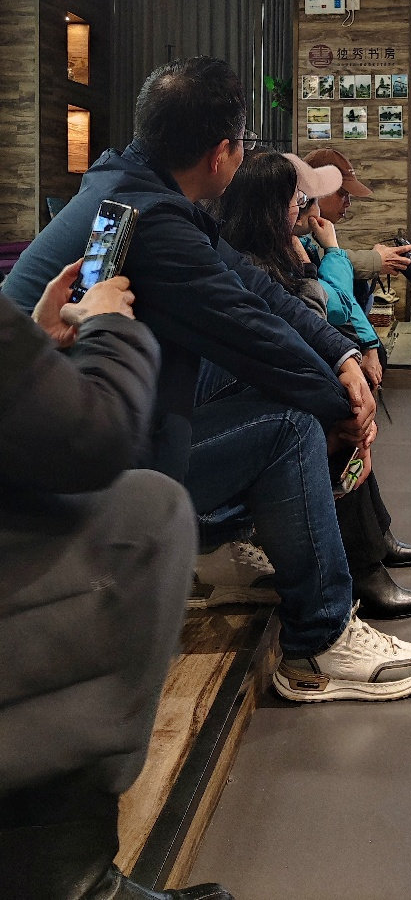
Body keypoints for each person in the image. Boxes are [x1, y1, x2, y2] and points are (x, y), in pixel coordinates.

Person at [3, 57, 411, 704]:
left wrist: (341, 357)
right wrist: (341, 409)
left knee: (253, 378)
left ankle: (215, 549)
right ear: (221, 153)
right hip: (63, 483)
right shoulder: (150, 218)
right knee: (288, 426)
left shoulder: (129, 185)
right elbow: (249, 330)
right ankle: (318, 643)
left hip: (73, 433)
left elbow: (255, 288)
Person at [0, 263, 232, 900]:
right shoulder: (172, 231)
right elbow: (93, 438)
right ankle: (73, 882)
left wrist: (33, 344)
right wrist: (110, 327)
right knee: (146, 518)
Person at [215, 149, 411, 619]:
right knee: (338, 415)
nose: (308, 208)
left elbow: (319, 323)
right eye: (300, 199)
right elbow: (311, 321)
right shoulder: (253, 263)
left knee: (347, 406)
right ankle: (360, 571)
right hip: (246, 399)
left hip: (267, 385)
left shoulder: (278, 252)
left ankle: (373, 542)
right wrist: (322, 261)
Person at [303, 146, 411, 283]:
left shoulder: (315, 232)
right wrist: (375, 260)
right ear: (315, 189)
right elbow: (321, 262)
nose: (348, 203)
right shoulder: (294, 234)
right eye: (342, 193)